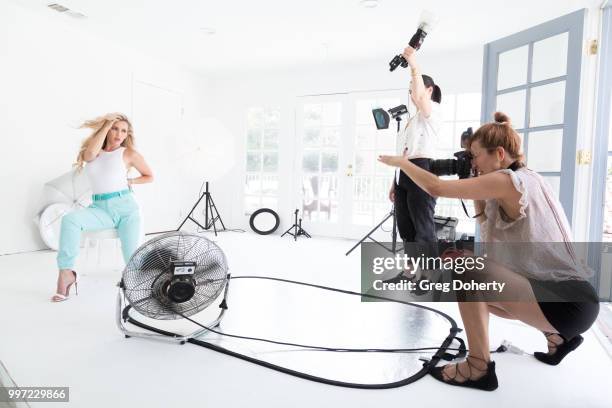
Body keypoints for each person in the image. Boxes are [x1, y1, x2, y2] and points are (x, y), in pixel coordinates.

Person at [378, 112, 599, 391]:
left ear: (500, 153)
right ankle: (558, 338)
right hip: (571, 301)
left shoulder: (509, 181)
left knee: (464, 273)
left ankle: (478, 367)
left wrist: (402, 164)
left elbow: (436, 186)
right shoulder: (528, 177)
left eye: (476, 156)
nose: (472, 163)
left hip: (567, 303)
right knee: (472, 280)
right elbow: (505, 252)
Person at [51, 113, 153, 302]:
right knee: (70, 220)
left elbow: (149, 176)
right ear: (106, 129)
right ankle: (66, 273)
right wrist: (106, 126)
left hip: (126, 209)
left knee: (132, 260)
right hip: (99, 207)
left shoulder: (128, 153)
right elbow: (89, 155)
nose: (119, 134)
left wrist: (131, 180)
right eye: (115, 128)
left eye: (124, 131)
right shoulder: (93, 153)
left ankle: (144, 283)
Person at [387, 45, 443, 282]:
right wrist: (394, 182)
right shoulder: (411, 121)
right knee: (406, 229)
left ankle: (431, 276)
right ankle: (411, 273)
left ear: (428, 90)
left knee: (423, 229)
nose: (412, 94)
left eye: (415, 88)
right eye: (410, 90)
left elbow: (420, 97)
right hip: (404, 174)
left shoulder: (432, 112)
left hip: (421, 169)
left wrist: (413, 63)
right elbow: (403, 153)